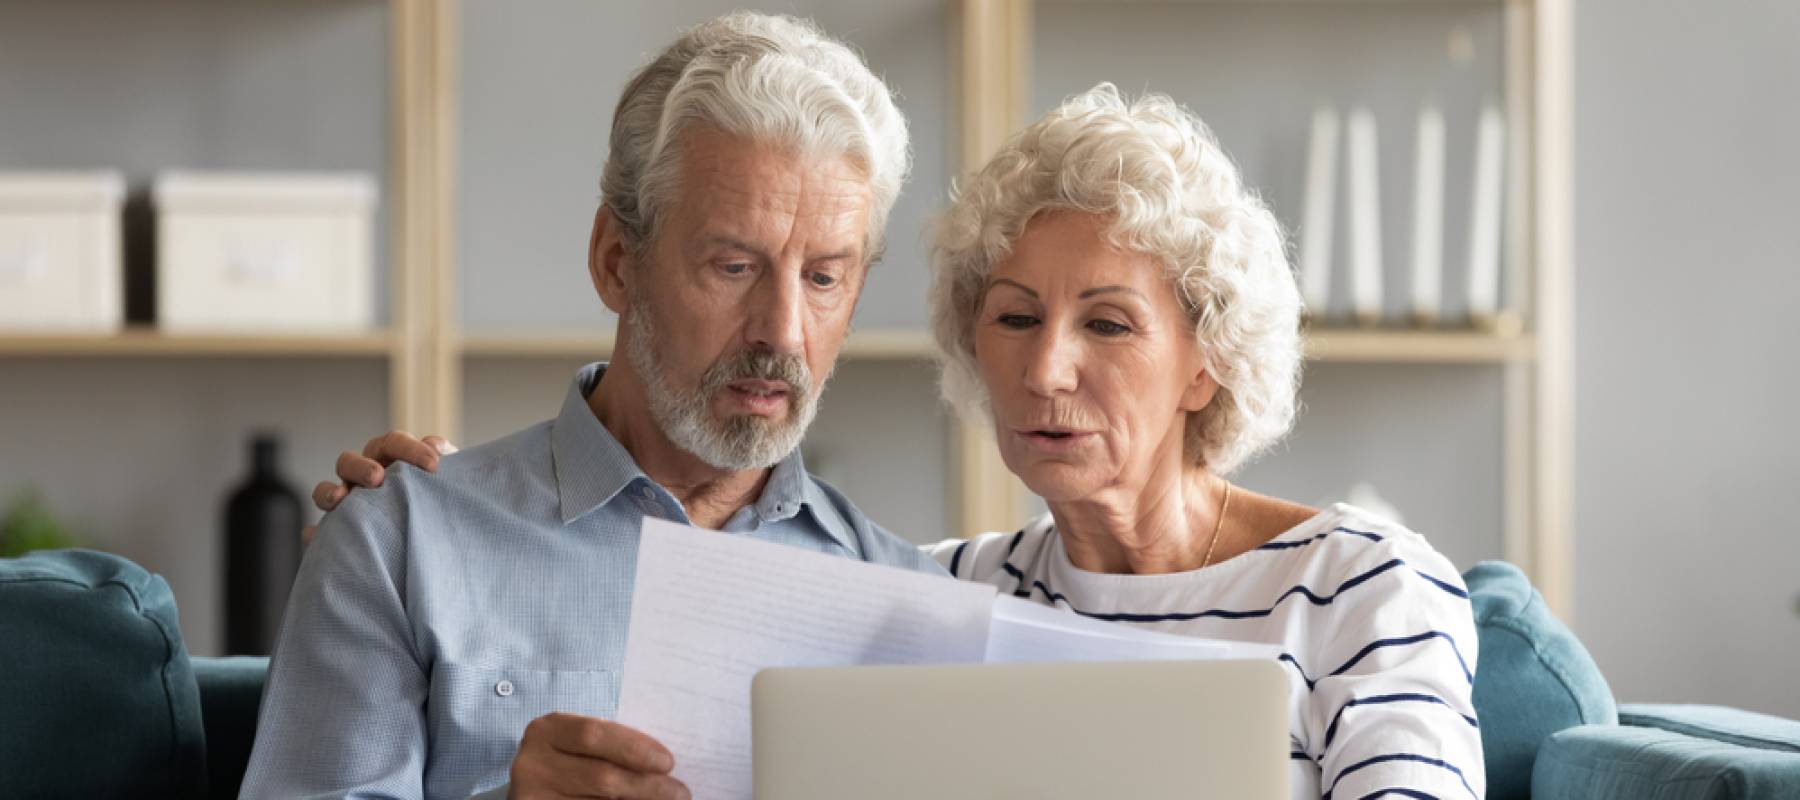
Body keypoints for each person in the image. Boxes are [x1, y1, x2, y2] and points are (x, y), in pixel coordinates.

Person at [322, 87, 1485, 798]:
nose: (1046, 367)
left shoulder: (1366, 585)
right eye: (1015, 317)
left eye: (1110, 322)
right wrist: (444, 495)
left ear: (1209, 356)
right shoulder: (934, 591)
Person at [240, 12, 938, 800]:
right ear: (616, 262)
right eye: (735, 265)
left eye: (823, 278)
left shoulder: (907, 599)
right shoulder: (398, 542)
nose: (782, 331)